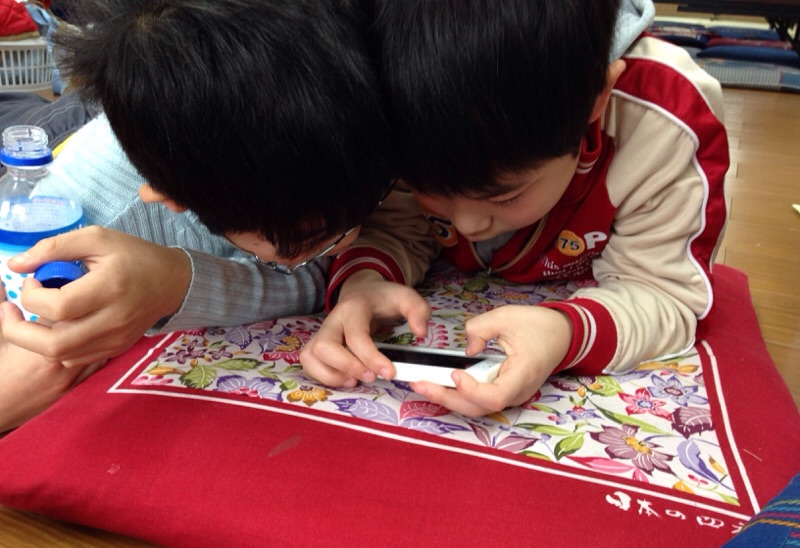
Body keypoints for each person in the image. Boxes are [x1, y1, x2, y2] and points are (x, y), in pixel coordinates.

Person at [299, 0, 730, 417]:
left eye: (505, 196)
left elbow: (664, 292)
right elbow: (395, 228)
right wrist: (363, 284)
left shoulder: (665, 117)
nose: (468, 223)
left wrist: (565, 333)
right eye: (427, 189)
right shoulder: (383, 82)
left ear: (597, 98)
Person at [0, 0, 400, 431]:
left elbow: (313, 274)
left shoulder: (341, 98)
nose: (350, 237)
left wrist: (177, 284)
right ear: (173, 198)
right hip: (53, 135)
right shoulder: (76, 222)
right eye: (311, 241)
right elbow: (30, 370)